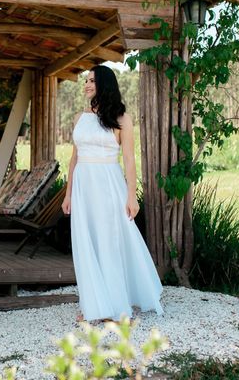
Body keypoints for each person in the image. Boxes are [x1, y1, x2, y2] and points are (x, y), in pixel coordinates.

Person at [62, 65, 163, 322]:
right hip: (84, 187)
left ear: (104, 84)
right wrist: (68, 193)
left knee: (109, 243)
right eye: (85, 80)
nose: (86, 85)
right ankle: (93, 304)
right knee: (87, 243)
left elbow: (129, 159)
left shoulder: (122, 119)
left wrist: (132, 196)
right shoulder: (80, 118)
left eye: (91, 81)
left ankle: (115, 306)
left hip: (108, 185)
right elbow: (73, 160)